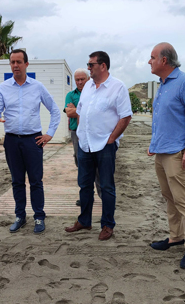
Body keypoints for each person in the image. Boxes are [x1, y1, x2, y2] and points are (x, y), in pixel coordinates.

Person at [0, 49, 61, 234]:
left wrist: (50, 134)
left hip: (33, 141)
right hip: (12, 141)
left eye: (19, 62)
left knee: (36, 181)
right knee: (17, 181)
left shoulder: (37, 87)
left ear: (26, 64)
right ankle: (20, 216)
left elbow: (54, 110)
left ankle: (39, 217)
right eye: (12, 62)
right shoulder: (3, 88)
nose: (15, 65)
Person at [147, 42, 185, 269]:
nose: (149, 61)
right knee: (169, 197)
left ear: (164, 60)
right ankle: (175, 237)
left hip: (179, 153)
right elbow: (164, 119)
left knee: (184, 200)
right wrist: (154, 144)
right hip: (161, 152)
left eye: (152, 57)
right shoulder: (161, 85)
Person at [65, 51, 132, 241]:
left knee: (106, 186)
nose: (88, 67)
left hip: (104, 145)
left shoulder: (117, 87)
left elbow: (126, 116)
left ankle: (107, 225)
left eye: (91, 64)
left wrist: (111, 139)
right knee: (84, 185)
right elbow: (80, 112)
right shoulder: (87, 87)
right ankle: (84, 220)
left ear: (103, 66)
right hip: (84, 145)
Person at [64, 68, 101, 206]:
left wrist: (77, 110)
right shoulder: (70, 95)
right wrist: (83, 110)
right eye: (77, 80)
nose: (79, 82)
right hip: (76, 133)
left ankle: (103, 195)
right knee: (81, 164)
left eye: (82, 79)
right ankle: (86, 196)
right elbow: (69, 113)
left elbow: (96, 112)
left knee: (97, 164)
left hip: (93, 132)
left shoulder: (95, 92)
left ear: (88, 79)